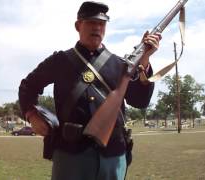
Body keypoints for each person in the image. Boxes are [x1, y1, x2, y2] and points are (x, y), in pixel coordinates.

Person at [18, 1, 161, 180]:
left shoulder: (120, 65)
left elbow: (140, 101)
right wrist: (32, 115)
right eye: (91, 22)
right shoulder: (60, 61)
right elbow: (28, 86)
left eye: (101, 23)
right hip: (71, 155)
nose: (97, 27)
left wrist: (144, 62)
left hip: (113, 154)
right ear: (78, 25)